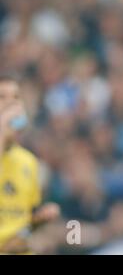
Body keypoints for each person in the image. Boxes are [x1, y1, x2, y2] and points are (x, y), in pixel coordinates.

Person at [0, 74, 60, 254]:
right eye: (2, 97)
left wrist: (38, 222)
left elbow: (22, 223)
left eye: (16, 97)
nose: (12, 104)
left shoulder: (28, 161)